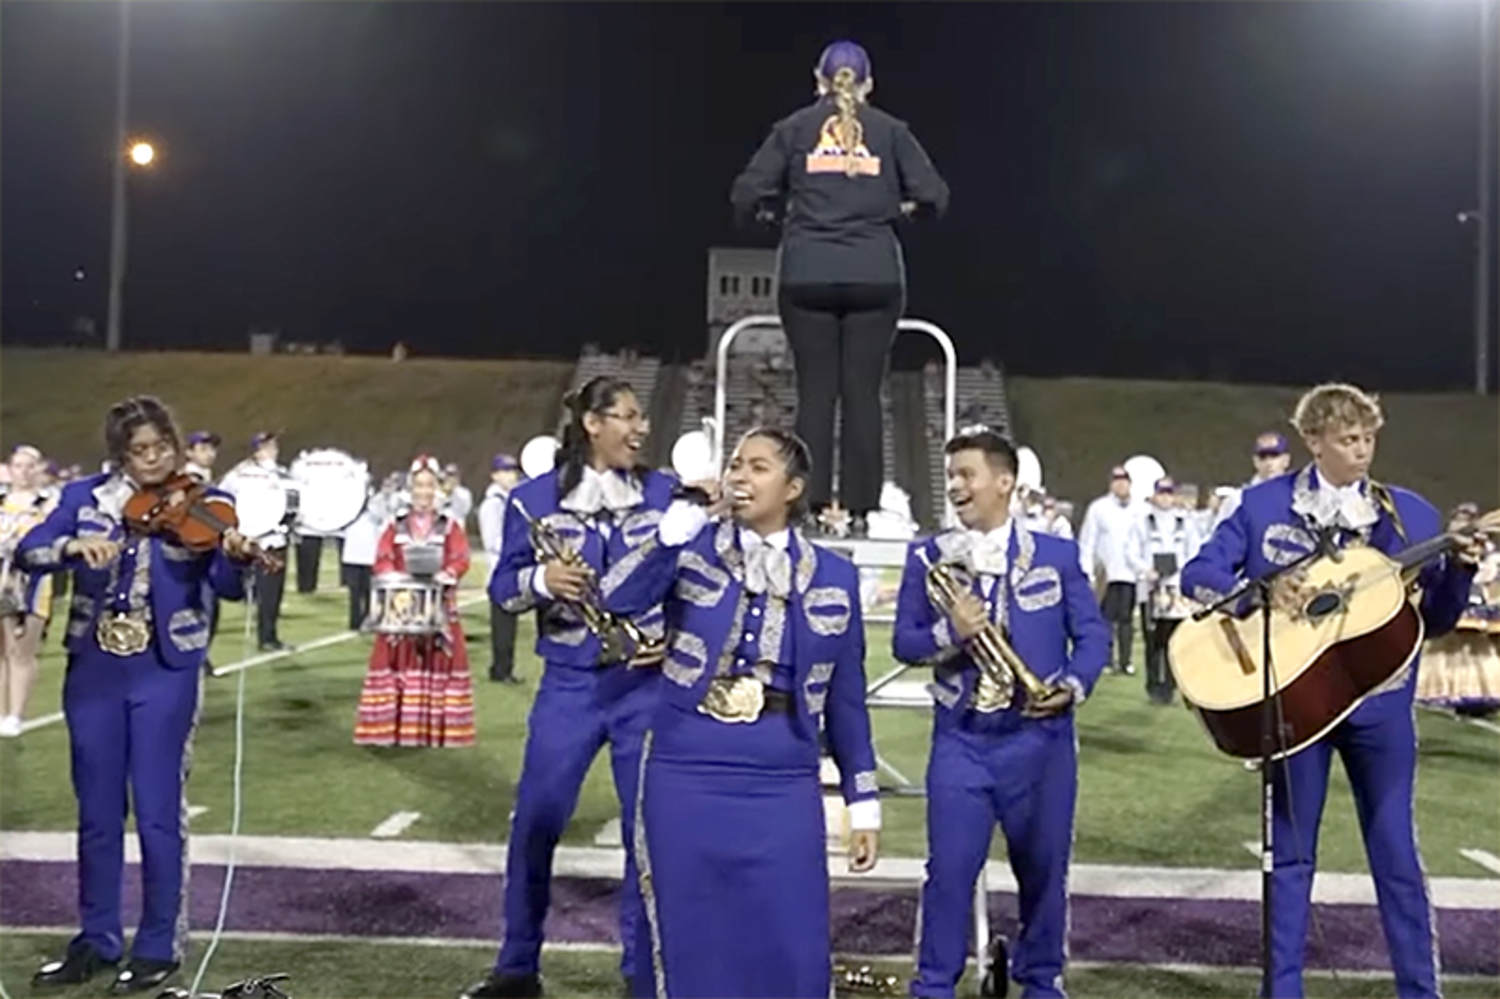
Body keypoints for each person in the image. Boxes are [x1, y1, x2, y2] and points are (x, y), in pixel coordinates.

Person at [1181, 383, 1480, 999]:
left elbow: (1439, 620)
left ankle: (1420, 992)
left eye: (1369, 438)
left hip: (1383, 704)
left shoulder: (1411, 514)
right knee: (1290, 858)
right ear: (1313, 441)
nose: (1363, 450)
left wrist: (1464, 569)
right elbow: (1200, 575)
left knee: (1396, 854)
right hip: (1296, 700)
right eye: (1348, 439)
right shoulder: (1262, 506)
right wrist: (1264, 590)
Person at [601, 427, 880, 998]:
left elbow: (847, 697)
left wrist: (864, 801)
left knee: (791, 936)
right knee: (690, 934)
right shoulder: (692, 548)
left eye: (758, 467)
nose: (739, 477)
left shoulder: (835, 575)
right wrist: (670, 535)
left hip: (783, 773)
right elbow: (616, 599)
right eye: (735, 465)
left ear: (793, 487)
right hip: (686, 764)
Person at [19, 396, 254, 994]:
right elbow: (30, 550)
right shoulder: (83, 498)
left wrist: (234, 554)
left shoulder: (209, 501)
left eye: (161, 448)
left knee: (156, 811)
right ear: (119, 454)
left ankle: (157, 945)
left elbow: (226, 587)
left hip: (164, 668)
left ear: (175, 447)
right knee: (97, 813)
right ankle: (96, 939)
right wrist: (71, 548)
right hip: (95, 667)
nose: (152, 460)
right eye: (138, 451)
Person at [462, 377, 673, 999]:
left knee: (646, 834)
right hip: (571, 683)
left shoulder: (663, 492)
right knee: (536, 821)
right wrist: (544, 581)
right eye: (628, 417)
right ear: (593, 424)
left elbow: (692, 578)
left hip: (646, 683)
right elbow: (502, 590)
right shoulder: (533, 499)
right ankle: (518, 966)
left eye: (640, 418)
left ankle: (643, 973)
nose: (640, 429)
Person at [895, 427, 1108, 999]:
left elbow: (1092, 636)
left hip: (1040, 741)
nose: (956, 486)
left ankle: (1041, 982)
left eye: (967, 474)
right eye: (952, 476)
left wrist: (1073, 685)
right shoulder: (927, 555)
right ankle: (934, 986)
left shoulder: (1057, 555)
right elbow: (905, 644)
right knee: (948, 875)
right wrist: (951, 630)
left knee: (1043, 875)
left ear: (1005, 482)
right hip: (963, 738)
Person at [730, 39, 949, 535]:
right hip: (875, 273)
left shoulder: (793, 130)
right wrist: (898, 215)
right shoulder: (891, 133)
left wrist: (775, 221)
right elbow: (935, 196)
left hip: (806, 271)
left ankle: (803, 508)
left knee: (815, 394)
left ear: (818, 80)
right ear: (868, 84)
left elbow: (746, 193)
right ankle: (859, 511)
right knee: (863, 394)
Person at [353, 455, 474, 747]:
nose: (424, 492)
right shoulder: (395, 526)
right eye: (418, 485)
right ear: (410, 488)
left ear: (437, 489)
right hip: (402, 608)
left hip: (438, 607)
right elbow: (381, 559)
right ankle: (392, 729)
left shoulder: (449, 525)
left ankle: (433, 730)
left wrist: (447, 574)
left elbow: (461, 558)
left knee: (436, 660)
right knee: (398, 661)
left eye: (429, 485)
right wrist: (395, 578)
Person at [1127, 477, 1202, 705]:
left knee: (1175, 642)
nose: (1165, 497)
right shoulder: (1142, 521)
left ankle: (1170, 686)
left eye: (1169, 493)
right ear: (1155, 494)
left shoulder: (1185, 522)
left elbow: (1195, 551)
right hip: (1150, 590)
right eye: (1162, 493)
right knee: (1153, 642)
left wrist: (1183, 573)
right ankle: (1153, 686)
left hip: (1176, 592)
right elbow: (1131, 551)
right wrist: (1145, 570)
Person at [0, 444, 58, 736]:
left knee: (22, 650)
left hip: (31, 583)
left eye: (29, 465)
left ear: (39, 469)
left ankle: (16, 713)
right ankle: (1, 710)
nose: (23, 472)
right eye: (18, 465)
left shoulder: (47, 502)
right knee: (2, 650)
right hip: (0, 580)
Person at [219, 431, 293, 651]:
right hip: (248, 540)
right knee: (253, 590)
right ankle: (265, 637)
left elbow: (293, 501)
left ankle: (268, 636)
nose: (272, 451)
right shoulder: (237, 475)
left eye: (273, 446)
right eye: (267, 446)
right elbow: (223, 499)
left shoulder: (281, 475)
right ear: (256, 450)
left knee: (272, 592)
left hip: (274, 539)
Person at [1076, 465, 1142, 675]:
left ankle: (1125, 661)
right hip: (1106, 574)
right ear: (1111, 484)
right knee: (1105, 620)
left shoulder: (1139, 509)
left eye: (1124, 481)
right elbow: (1088, 540)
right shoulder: (1099, 508)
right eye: (1117, 481)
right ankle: (1106, 659)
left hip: (1131, 574)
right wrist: (1087, 570)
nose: (1121, 485)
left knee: (1126, 619)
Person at [477, 453, 524, 684]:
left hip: (511, 570)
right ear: (495, 475)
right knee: (502, 625)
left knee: (509, 623)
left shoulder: (512, 501)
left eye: (513, 470)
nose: (511, 475)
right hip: (499, 571)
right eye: (505, 471)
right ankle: (500, 670)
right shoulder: (492, 505)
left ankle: (505, 668)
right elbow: (492, 540)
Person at [1212, 430, 1293, 529]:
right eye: (1263, 457)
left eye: (1274, 456)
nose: (1269, 463)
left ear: (1286, 460)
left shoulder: (1299, 498)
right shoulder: (1238, 500)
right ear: (1255, 462)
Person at [340, 482, 389, 632]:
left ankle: (369, 618)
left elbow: (381, 517)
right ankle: (354, 622)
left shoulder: (377, 503)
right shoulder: (348, 504)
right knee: (354, 592)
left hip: (369, 555)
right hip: (351, 555)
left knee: (369, 591)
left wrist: (370, 502)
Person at [444, 462, 475, 528]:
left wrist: (453, 491)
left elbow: (466, 509)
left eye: (453, 475)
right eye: (449, 475)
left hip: (458, 526)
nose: (451, 478)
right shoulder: (439, 492)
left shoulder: (464, 493)